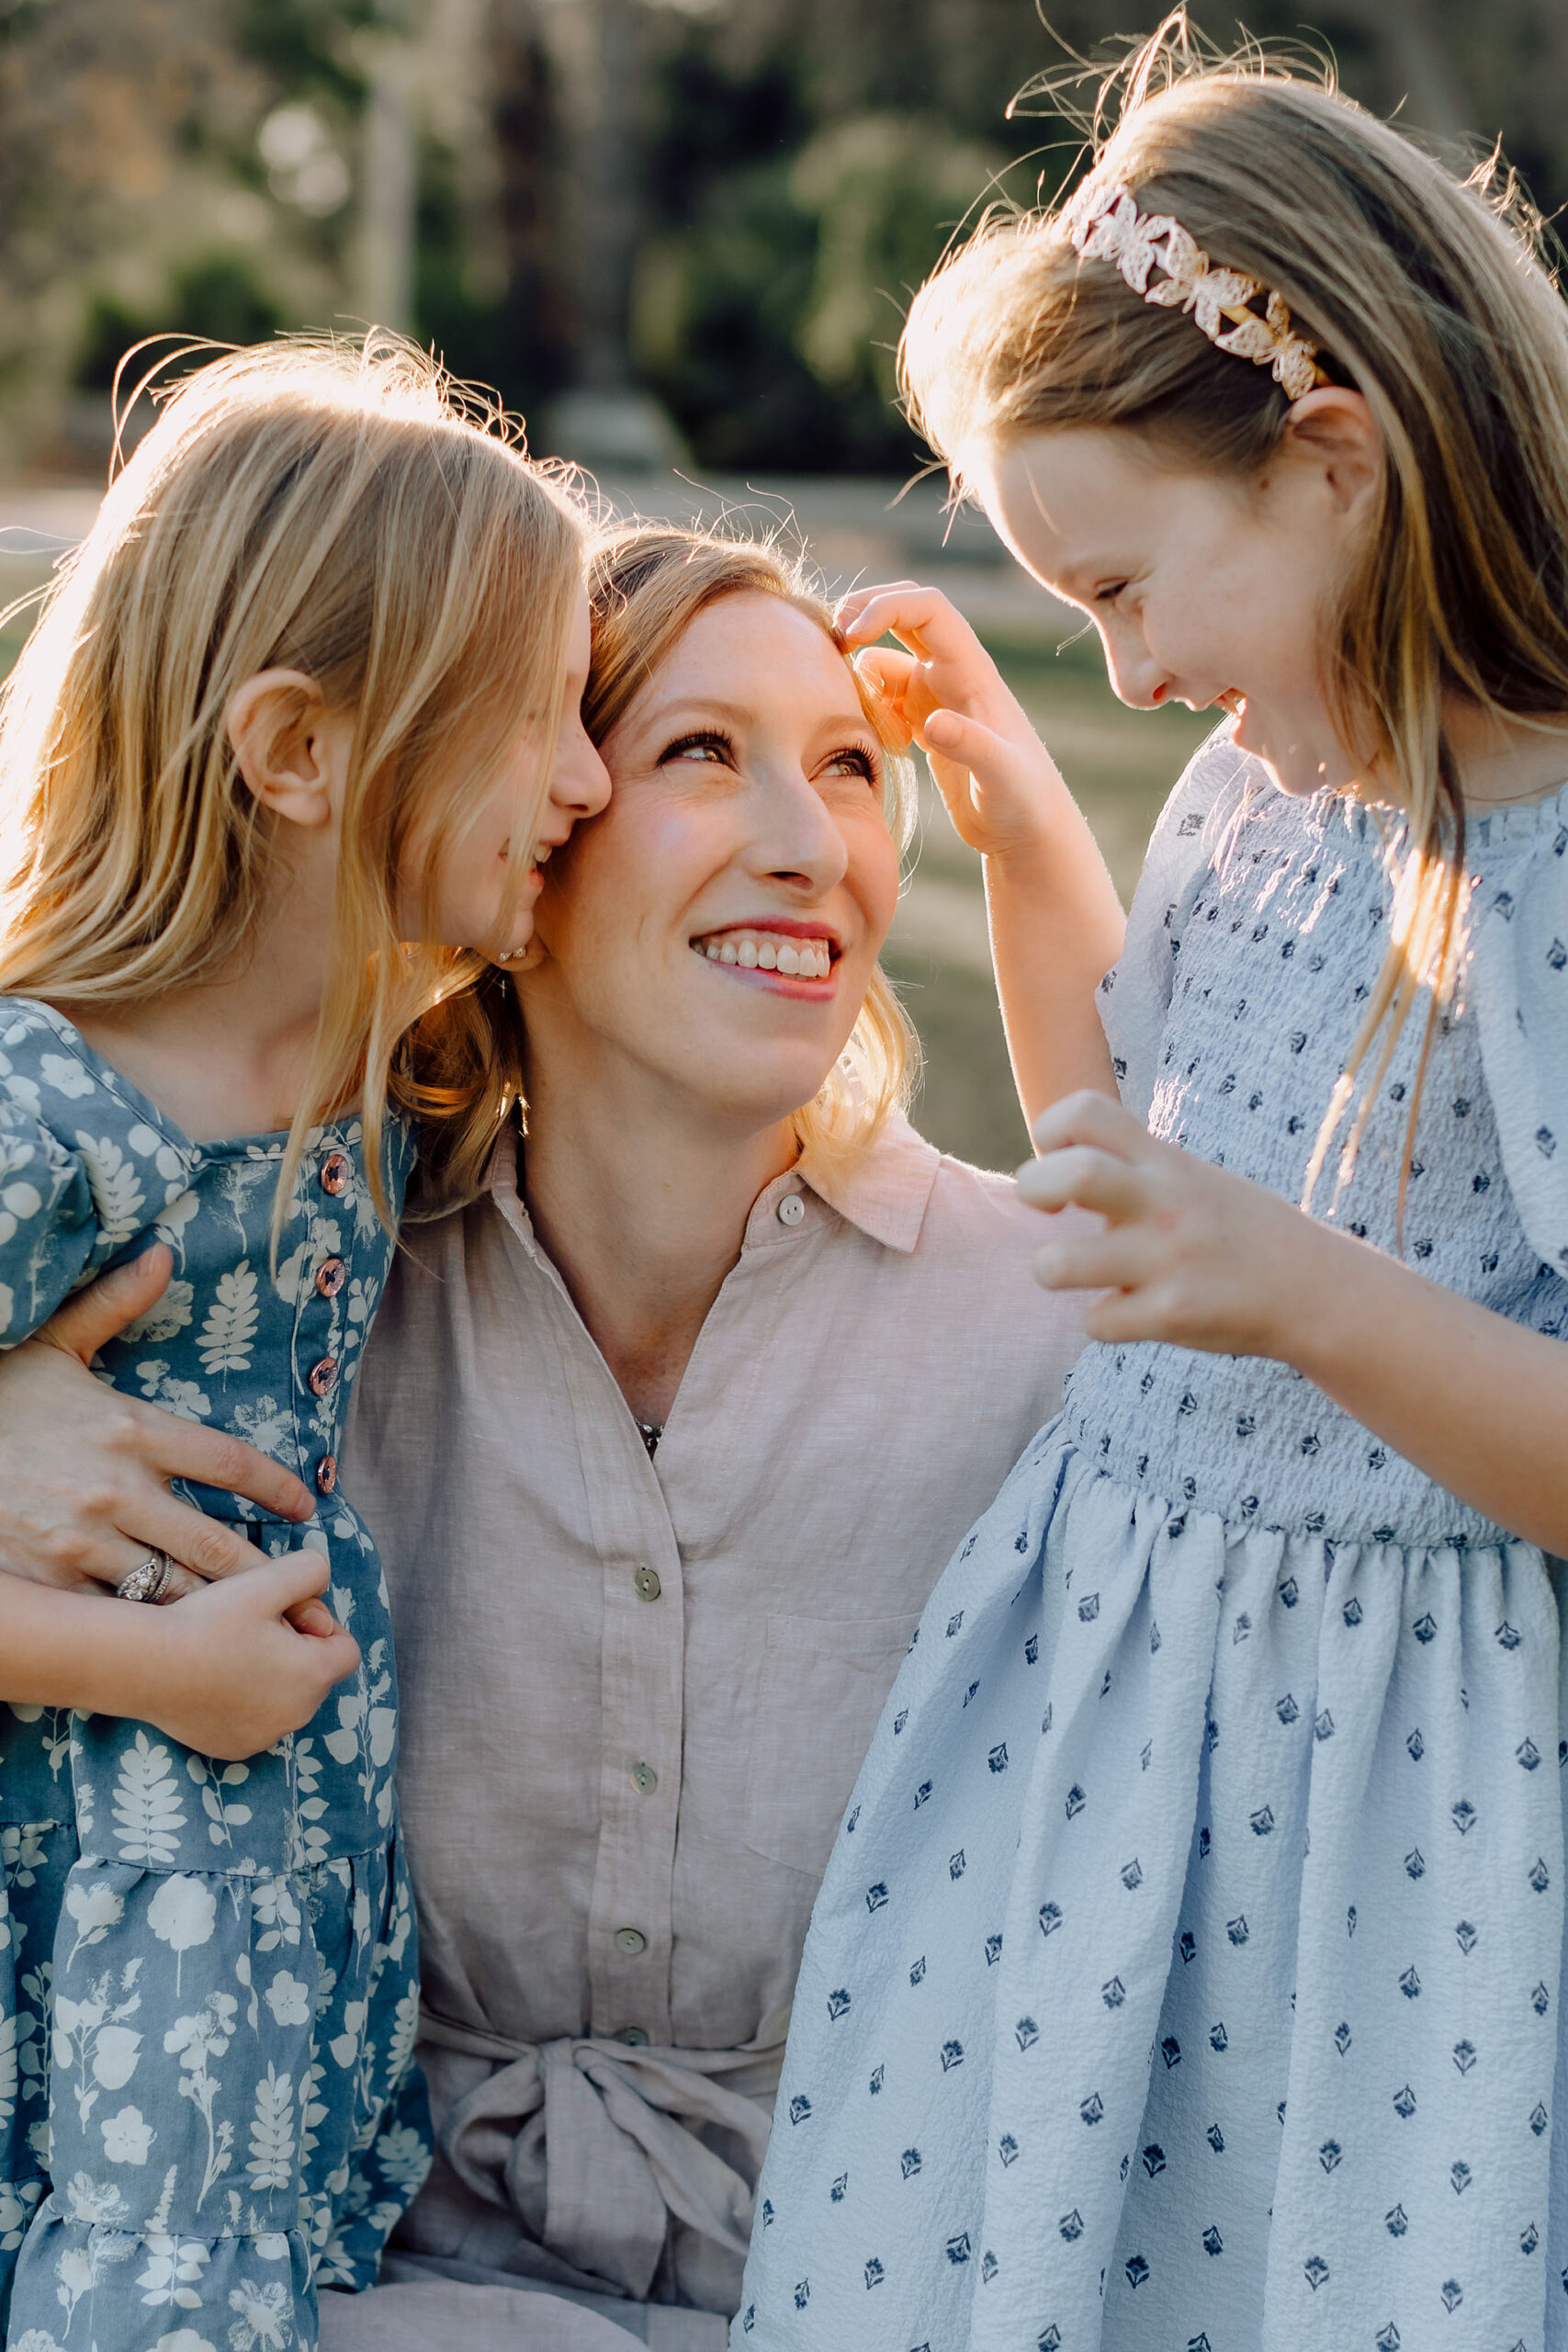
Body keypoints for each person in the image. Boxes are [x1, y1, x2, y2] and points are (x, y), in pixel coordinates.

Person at [0, 523, 1088, 2350]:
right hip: (323, 2279)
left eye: (846, 766)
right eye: (696, 753)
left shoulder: (1040, 1333)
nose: (808, 843)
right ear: (526, 821)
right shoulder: (281, 1299)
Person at [736, 37, 1568, 2352]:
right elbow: (1134, 1164)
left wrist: (1299, 1297)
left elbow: (1297, 1286)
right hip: (1118, 1697)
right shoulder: (1257, 790)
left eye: (1119, 584)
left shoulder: (1547, 863)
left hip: (1390, 1768)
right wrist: (1026, 850)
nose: (1123, 666)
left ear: (1330, 458)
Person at [0, 336, 608, 2351]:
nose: (585, 781)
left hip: (250, 1962)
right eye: (538, 720)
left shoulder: (377, 1086)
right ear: (296, 749)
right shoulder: (49, 1115)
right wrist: (134, 1661)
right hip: (91, 1933)